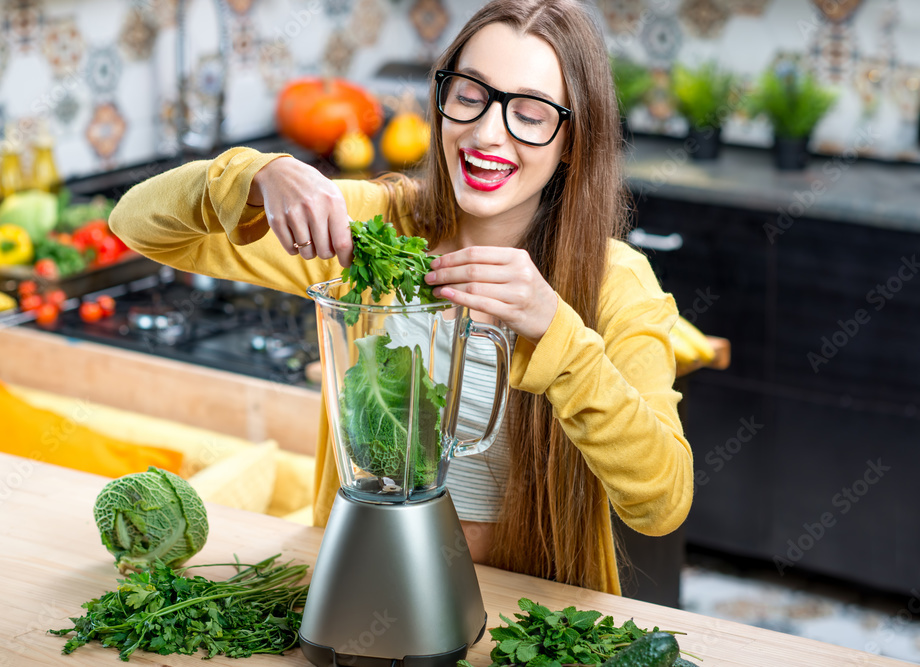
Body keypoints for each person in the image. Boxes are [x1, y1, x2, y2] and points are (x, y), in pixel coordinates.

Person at [109, 0, 693, 595]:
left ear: (572, 139)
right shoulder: (373, 231)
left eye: (531, 113)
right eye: (470, 95)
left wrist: (557, 334)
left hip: (528, 622)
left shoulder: (615, 283)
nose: (488, 133)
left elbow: (661, 503)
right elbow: (135, 224)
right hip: (362, 596)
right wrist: (256, 176)